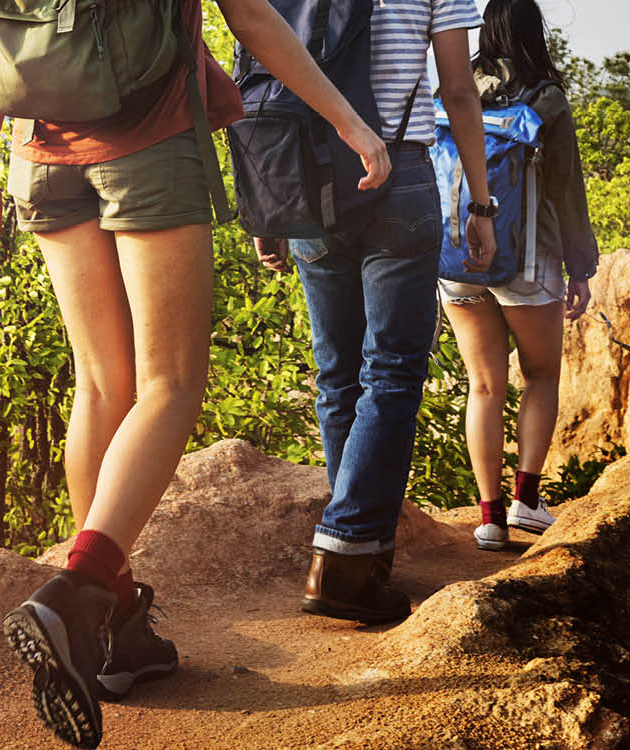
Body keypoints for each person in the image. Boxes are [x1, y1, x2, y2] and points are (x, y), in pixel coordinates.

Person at [0, 0, 390, 746]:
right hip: (148, 149)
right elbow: (253, 17)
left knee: (98, 385)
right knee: (170, 383)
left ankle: (119, 632)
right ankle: (78, 591)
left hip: (34, 153)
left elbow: (0, 44)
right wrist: (350, 124)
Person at [252, 0, 494, 623]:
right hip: (399, 176)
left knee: (337, 374)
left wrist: (269, 204)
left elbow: (265, 63)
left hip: (309, 172)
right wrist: (481, 202)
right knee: (390, 371)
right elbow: (460, 91)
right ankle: (346, 552)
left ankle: (361, 549)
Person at [439, 0, 598, 551]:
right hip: (529, 260)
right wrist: (581, 265)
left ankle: (488, 518)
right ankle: (527, 501)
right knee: (541, 375)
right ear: (535, 34)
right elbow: (566, 191)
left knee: (482, 384)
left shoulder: (455, 88)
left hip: (459, 260)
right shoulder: (547, 99)